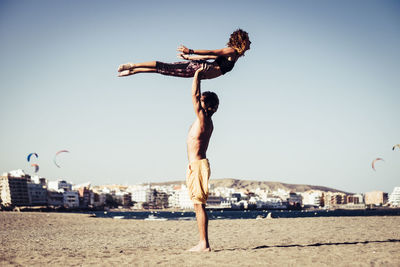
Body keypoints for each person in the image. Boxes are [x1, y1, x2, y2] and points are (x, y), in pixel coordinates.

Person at [117, 29, 251, 79]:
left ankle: (133, 70)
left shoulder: (235, 55)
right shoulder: (231, 51)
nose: (250, 43)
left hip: (200, 69)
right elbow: (212, 52)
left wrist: (190, 57)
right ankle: (133, 66)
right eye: (248, 41)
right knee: (164, 67)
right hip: (198, 69)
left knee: (163, 70)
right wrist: (191, 51)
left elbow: (210, 57)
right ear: (242, 42)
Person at [186, 66, 219, 252]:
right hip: (196, 166)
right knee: (197, 205)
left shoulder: (204, 119)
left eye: (202, 101)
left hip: (198, 166)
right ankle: (202, 243)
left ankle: (203, 244)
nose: (199, 101)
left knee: (199, 206)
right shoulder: (205, 120)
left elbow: (194, 95)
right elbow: (198, 97)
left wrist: (197, 75)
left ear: (205, 105)